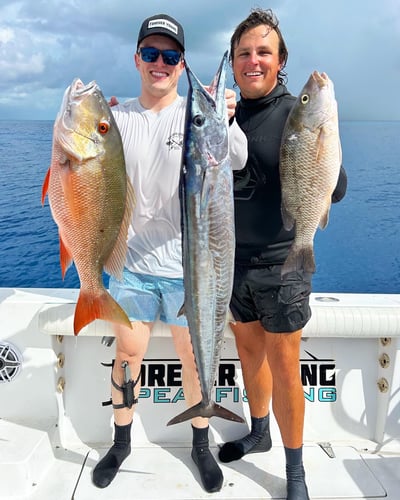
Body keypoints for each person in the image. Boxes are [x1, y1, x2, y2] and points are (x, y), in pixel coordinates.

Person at [91, 13, 248, 493]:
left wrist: (229, 115)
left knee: (196, 359)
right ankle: (120, 442)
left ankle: (201, 444)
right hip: (132, 264)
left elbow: (235, 158)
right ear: (137, 58)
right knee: (127, 353)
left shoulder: (198, 113)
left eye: (171, 56)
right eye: (152, 54)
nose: (160, 63)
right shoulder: (116, 119)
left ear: (181, 66)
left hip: (191, 266)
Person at [217, 8, 348, 500]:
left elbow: (334, 193)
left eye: (263, 52)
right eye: (244, 53)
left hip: (283, 261)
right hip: (230, 262)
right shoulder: (221, 112)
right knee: (248, 351)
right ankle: (258, 430)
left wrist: (328, 148)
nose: (254, 61)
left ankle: (295, 471)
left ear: (280, 60)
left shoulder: (297, 112)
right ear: (233, 62)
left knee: (285, 362)